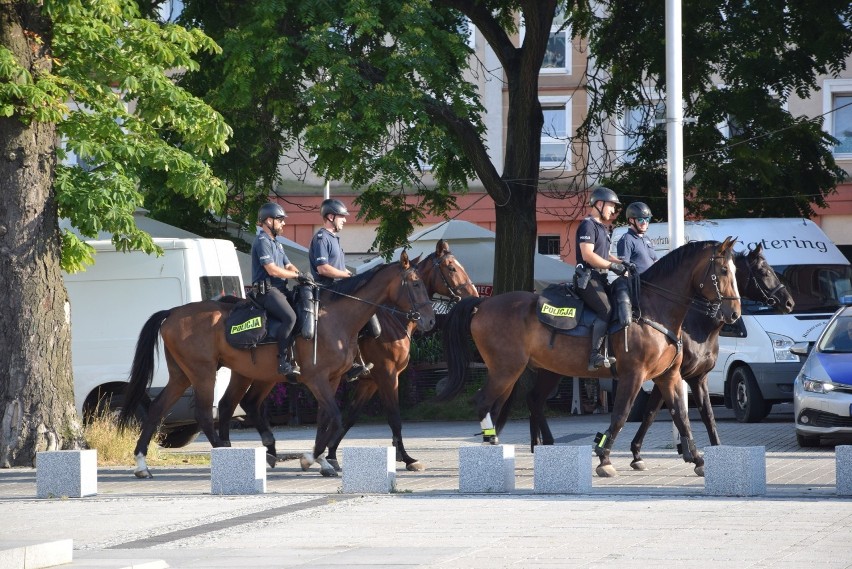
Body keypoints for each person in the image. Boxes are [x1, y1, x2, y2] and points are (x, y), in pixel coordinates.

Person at [309, 198, 372, 380]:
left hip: (339, 289)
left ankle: (353, 361)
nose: (345, 220)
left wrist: (351, 275)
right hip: (327, 292)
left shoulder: (334, 239)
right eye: (341, 217)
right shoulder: (321, 238)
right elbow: (323, 268)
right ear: (330, 217)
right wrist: (345, 277)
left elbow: (339, 267)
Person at [251, 202, 309, 377]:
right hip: (266, 291)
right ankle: (283, 361)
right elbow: (271, 269)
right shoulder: (262, 241)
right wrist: (296, 277)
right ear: (268, 221)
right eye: (280, 220)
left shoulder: (276, 243)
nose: (284, 223)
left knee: (302, 309)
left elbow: (288, 265)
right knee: (290, 317)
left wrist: (302, 275)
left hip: (280, 289)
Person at [575, 186, 627, 370]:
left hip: (600, 278)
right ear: (599, 203)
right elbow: (588, 255)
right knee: (605, 309)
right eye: (611, 206)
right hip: (587, 278)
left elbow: (605, 254)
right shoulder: (588, 225)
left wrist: (623, 262)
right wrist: (613, 266)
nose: (613, 210)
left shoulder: (602, 228)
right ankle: (594, 355)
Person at [616, 201, 658, 274]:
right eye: (640, 219)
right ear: (631, 220)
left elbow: (655, 261)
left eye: (647, 219)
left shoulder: (646, 238)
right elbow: (624, 270)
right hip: (638, 283)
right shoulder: (627, 239)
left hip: (653, 282)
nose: (645, 223)